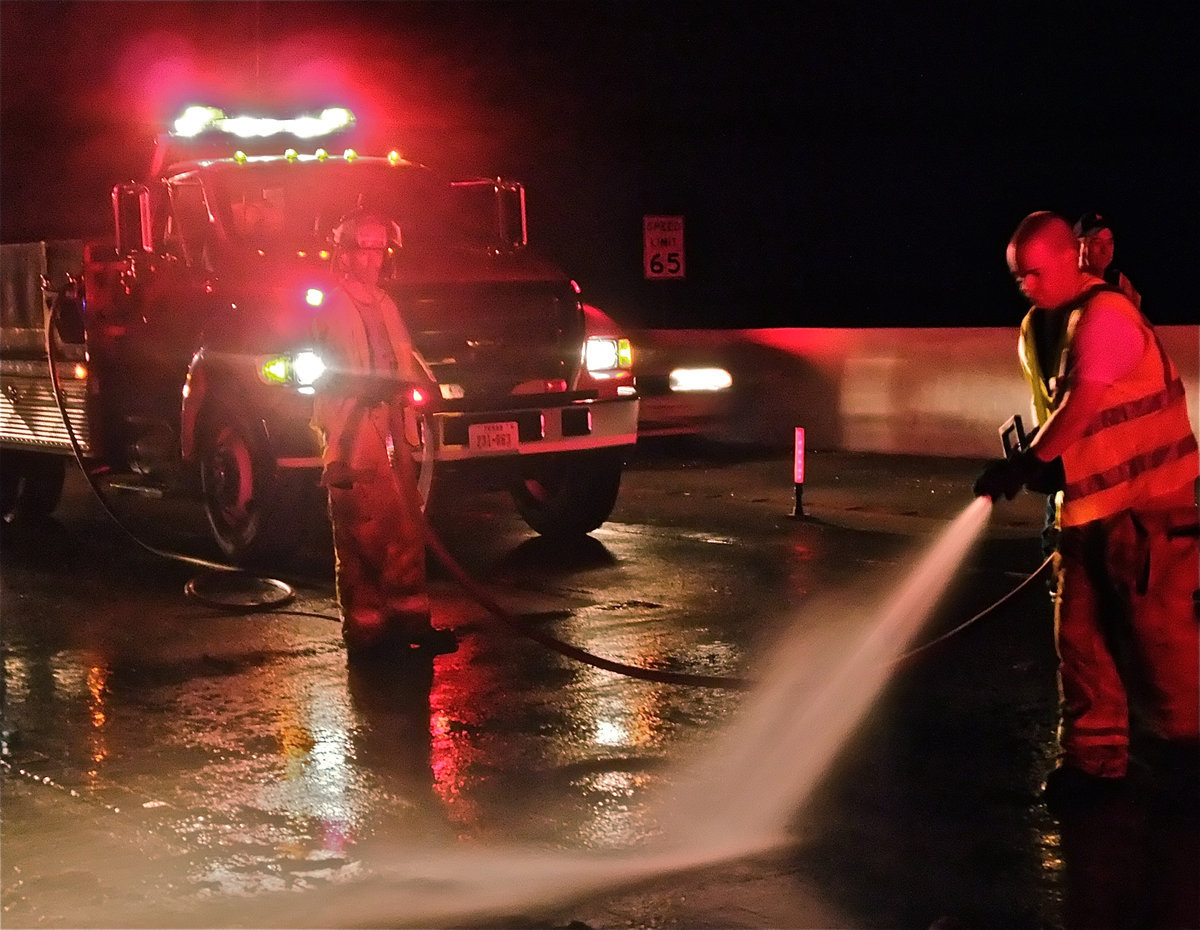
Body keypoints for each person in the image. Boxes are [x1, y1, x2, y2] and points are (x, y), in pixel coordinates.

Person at [974, 211, 1199, 810]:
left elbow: (1079, 405)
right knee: (1080, 640)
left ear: (1067, 259)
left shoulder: (1107, 316)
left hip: (1150, 508)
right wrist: (1048, 465)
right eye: (1018, 277)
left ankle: (1189, 754)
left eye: (1034, 273)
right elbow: (1061, 412)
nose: (1025, 285)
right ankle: (1094, 764)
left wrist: (1028, 464)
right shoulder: (1041, 326)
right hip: (1086, 509)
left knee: (1162, 644)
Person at [310, 210, 456, 662]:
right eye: (364, 250)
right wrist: (362, 396)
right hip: (352, 430)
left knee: (406, 523)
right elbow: (327, 373)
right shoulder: (333, 307)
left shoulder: (386, 304)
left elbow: (403, 356)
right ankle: (367, 631)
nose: (373, 259)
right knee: (362, 528)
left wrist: (423, 389)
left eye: (379, 250)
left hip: (392, 422)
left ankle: (411, 621)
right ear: (345, 255)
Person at [1074, 212, 1142, 310]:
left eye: (1109, 242)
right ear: (1078, 244)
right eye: (1097, 242)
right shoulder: (1066, 282)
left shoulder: (1119, 282)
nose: (1105, 250)